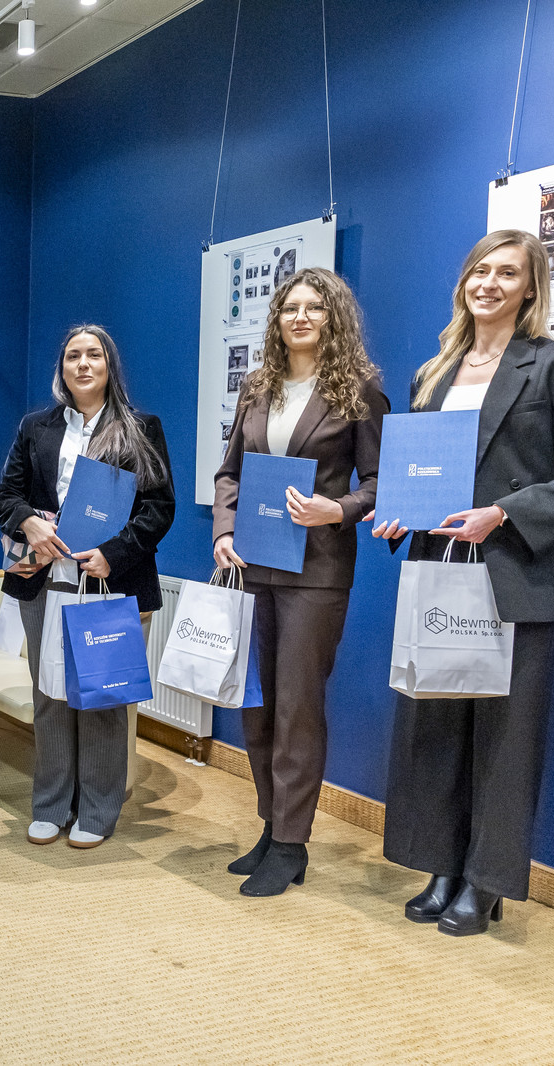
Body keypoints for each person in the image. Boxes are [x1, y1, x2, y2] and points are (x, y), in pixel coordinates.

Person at [373, 230, 554, 936]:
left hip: (518, 571)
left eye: (507, 273)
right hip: (441, 566)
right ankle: (442, 866)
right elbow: (420, 469)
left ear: (530, 288)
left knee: (506, 741)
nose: (489, 283)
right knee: (435, 723)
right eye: (480, 270)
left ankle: (486, 882)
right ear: (463, 283)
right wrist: (399, 511)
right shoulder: (432, 373)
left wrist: (504, 513)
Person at [212, 267, 388, 896]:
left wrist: (335, 508)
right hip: (254, 562)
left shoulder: (359, 390)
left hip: (317, 571)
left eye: (314, 307)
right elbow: (229, 472)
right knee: (258, 705)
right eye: (290, 308)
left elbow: (380, 482)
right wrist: (223, 531)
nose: (301, 317)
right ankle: (271, 825)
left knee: (297, 707)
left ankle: (292, 843)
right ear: (277, 319)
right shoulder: (257, 386)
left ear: (333, 317)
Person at [0, 324, 173, 848]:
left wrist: (114, 554)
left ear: (109, 365)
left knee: (101, 698)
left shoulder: (140, 428)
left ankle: (97, 810)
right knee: (49, 696)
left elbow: (160, 508)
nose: (83, 364)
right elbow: (4, 495)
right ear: (62, 367)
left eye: (94, 355)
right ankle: (50, 804)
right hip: (45, 581)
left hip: (108, 583)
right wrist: (28, 522)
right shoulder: (36, 427)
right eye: (73, 355)